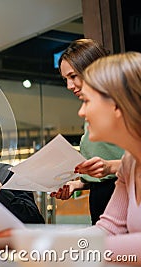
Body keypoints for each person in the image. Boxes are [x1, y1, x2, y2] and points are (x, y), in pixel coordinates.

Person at [0, 52, 141, 262]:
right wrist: (34, 240)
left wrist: (52, 246)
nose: (81, 113)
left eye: (87, 101)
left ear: (118, 105)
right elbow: (109, 229)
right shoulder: (130, 164)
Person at [51, 39, 124, 225]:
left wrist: (110, 167)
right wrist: (77, 184)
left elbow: (119, 166)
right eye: (65, 79)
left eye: (73, 76)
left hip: (128, 195)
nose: (69, 86)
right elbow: (102, 174)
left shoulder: (126, 103)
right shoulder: (91, 108)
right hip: (102, 199)